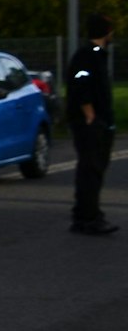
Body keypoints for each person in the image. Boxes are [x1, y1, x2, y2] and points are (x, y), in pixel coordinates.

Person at [67, 13, 117, 236]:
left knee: (91, 170)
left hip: (98, 121)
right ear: (106, 32)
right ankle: (89, 217)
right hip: (90, 123)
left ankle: (84, 214)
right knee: (91, 170)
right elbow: (81, 84)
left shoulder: (96, 54)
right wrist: (90, 115)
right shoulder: (88, 55)